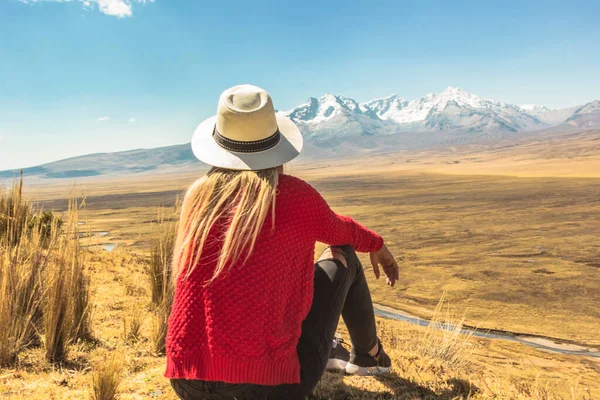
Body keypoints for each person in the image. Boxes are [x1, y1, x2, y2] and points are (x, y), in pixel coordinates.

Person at [165, 84, 400, 399]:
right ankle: (368, 357)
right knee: (344, 253)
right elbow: (343, 232)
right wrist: (377, 244)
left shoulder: (198, 196)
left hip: (186, 382)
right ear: (275, 146)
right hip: (263, 388)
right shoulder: (294, 196)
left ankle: (332, 349)